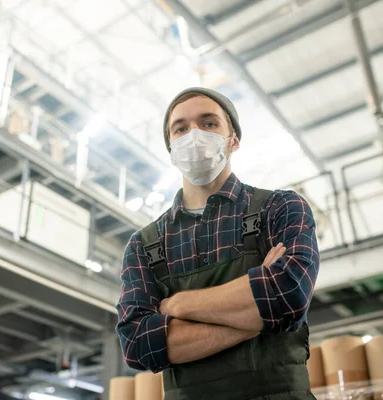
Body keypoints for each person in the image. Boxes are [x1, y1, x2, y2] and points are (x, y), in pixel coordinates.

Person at [115, 87, 320, 400]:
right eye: (181, 128)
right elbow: (138, 344)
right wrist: (256, 317)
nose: (194, 135)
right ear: (171, 148)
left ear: (233, 139)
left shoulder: (279, 208)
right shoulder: (145, 244)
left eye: (209, 123)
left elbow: (286, 295)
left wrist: (178, 306)